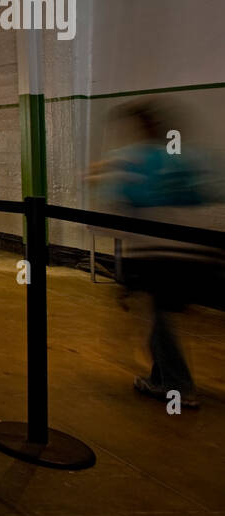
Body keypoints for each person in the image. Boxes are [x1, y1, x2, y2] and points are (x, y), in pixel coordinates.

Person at [89, 99, 224, 409]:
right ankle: (162, 377)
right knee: (160, 317)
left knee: (156, 320)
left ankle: (178, 386)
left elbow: (119, 207)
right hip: (193, 250)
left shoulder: (130, 159)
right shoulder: (186, 157)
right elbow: (210, 193)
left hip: (154, 254)